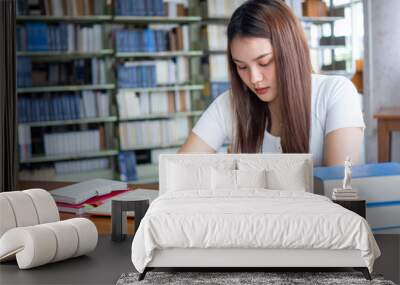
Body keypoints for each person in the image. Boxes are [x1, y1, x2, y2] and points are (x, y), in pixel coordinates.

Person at [179, 0, 364, 166]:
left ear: (290, 52)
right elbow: (180, 170)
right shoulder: (231, 104)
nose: (254, 79)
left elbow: (338, 189)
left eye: (264, 62)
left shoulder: (336, 93)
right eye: (242, 67)